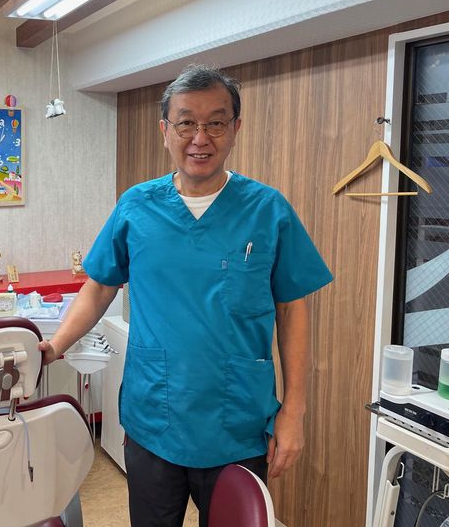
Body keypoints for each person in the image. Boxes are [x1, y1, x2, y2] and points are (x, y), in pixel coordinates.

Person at [38, 64, 332, 527]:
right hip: (155, 416)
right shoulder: (136, 206)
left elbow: (292, 309)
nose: (200, 138)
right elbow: (99, 287)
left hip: (237, 423)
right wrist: (55, 346)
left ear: (235, 128)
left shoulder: (268, 210)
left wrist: (293, 412)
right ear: (165, 130)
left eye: (215, 123)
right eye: (186, 123)